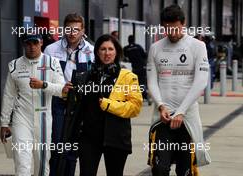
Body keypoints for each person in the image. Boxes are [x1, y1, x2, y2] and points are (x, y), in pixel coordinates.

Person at [147, 4, 211, 176]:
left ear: (183, 24)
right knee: (159, 169)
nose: (172, 33)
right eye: (167, 29)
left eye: (175, 28)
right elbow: (152, 82)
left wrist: (181, 112)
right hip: (163, 117)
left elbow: (201, 81)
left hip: (187, 118)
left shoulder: (198, 46)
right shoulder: (155, 48)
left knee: (186, 170)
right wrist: (160, 105)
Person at [0, 31, 67, 176]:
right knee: (22, 163)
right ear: (23, 44)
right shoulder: (14, 65)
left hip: (44, 119)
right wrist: (4, 123)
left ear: (41, 43)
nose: (32, 47)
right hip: (21, 119)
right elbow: (8, 95)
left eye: (35, 43)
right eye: (28, 43)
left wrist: (44, 85)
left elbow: (63, 91)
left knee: (42, 164)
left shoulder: (52, 63)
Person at [78, 34, 143, 176]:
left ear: (117, 52)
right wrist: (67, 93)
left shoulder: (128, 76)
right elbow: (79, 105)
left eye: (110, 49)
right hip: (89, 138)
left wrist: (108, 105)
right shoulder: (86, 76)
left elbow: (135, 107)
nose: (107, 53)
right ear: (97, 52)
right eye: (102, 49)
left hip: (116, 137)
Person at [43, 13, 94, 176]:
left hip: (80, 103)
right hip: (57, 101)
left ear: (83, 30)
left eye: (76, 30)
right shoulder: (51, 49)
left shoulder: (91, 51)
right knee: (57, 144)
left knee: (73, 146)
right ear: (64, 29)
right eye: (69, 29)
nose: (72, 33)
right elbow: (44, 78)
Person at [123, 35, 151, 105]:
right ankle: (146, 97)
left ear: (128, 40)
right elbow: (145, 55)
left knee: (135, 83)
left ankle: (138, 97)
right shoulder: (138, 47)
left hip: (134, 69)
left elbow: (124, 58)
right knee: (142, 83)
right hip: (142, 67)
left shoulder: (126, 48)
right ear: (134, 40)